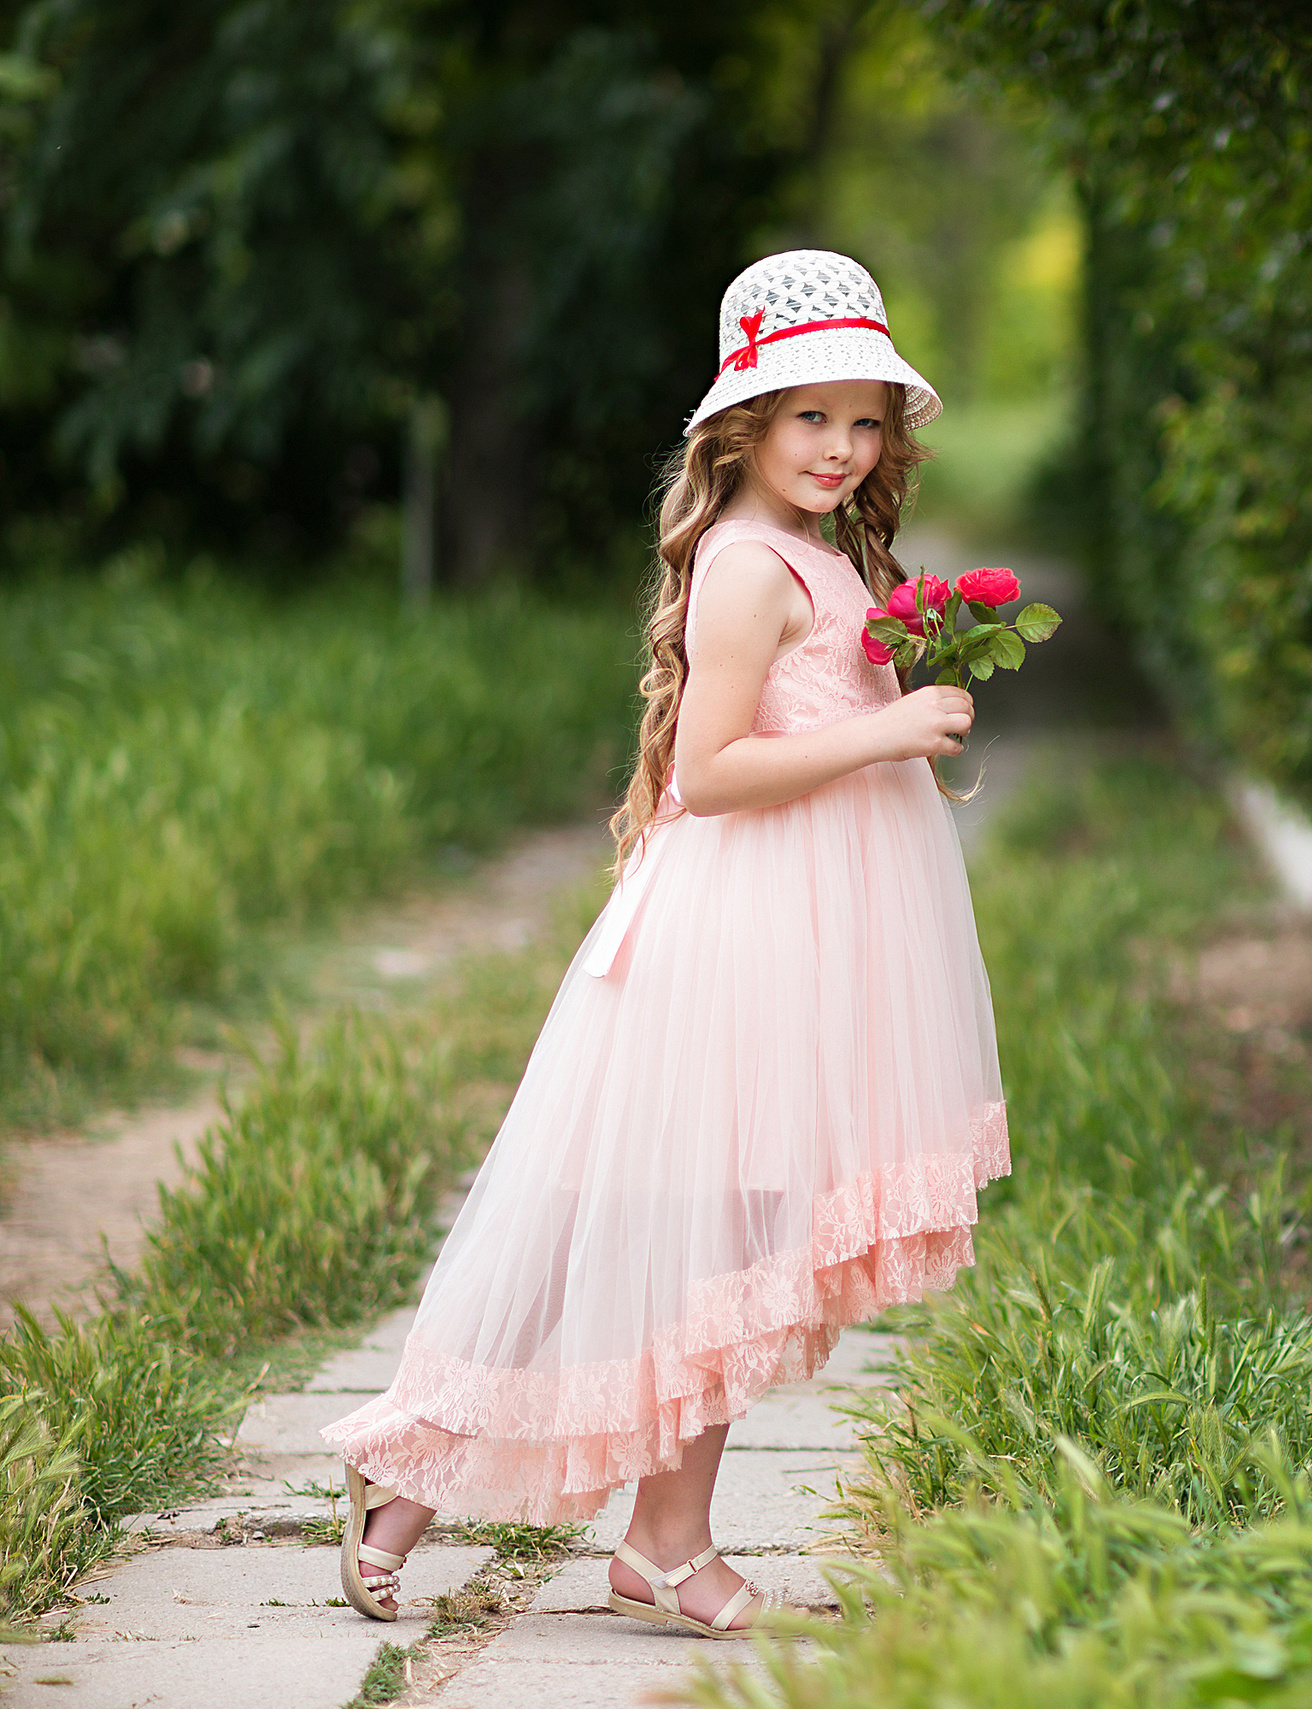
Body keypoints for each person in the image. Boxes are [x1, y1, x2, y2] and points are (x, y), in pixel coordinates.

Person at [322, 251, 1008, 1639]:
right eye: (809, 416)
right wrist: (889, 726)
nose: (842, 446)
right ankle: (408, 1467)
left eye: (864, 420)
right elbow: (709, 769)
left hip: (808, 934)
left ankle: (661, 1535)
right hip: (736, 934)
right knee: (639, 1228)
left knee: (743, 1244)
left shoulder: (831, 554)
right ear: (742, 425)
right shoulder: (748, 565)